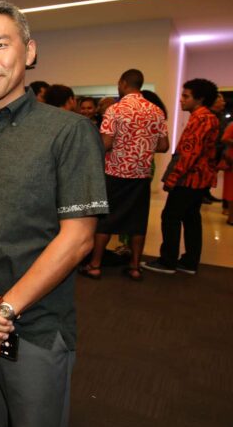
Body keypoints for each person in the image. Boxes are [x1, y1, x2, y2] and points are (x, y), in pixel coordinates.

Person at [0, 1, 107, 427]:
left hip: (34, 328)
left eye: (0, 45)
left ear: (29, 52)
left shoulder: (68, 132)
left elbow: (78, 238)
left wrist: (3, 311)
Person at [78, 70, 168, 281]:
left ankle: (95, 265)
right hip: (141, 176)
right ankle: (135, 267)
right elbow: (164, 146)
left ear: (123, 83)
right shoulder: (156, 111)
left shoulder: (115, 110)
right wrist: (141, 146)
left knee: (105, 221)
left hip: (115, 174)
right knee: (138, 222)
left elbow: (106, 144)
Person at [142, 79, 220, 275]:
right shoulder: (205, 117)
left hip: (190, 179)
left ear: (200, 99)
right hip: (197, 179)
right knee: (191, 218)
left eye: (186, 96)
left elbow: (190, 154)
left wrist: (172, 178)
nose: (181, 100)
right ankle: (189, 262)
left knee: (170, 217)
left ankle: (168, 261)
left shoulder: (202, 118)